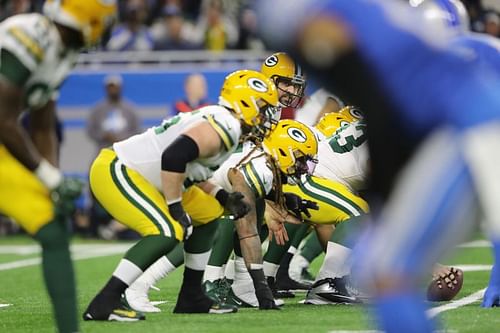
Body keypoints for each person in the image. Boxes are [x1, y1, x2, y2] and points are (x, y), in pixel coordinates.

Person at [257, 0, 500, 332]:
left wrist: (383, 201)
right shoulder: (380, 24)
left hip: (462, 130)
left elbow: (381, 111)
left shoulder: (324, 21)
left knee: (387, 269)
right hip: (466, 124)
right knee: (389, 267)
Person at [83, 69, 279, 321]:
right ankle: (105, 302)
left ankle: (191, 296)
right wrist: (176, 209)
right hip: (119, 167)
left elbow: (190, 169)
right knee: (167, 231)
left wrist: (222, 197)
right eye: (263, 108)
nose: (266, 116)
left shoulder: (223, 122)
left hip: (150, 176)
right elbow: (174, 157)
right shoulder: (226, 124)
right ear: (245, 102)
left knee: (209, 214)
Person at [0, 1, 117, 332]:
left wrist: (51, 181)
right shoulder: (30, 33)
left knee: (53, 228)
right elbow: (4, 118)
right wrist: (48, 175)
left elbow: (41, 124)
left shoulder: (62, 51)